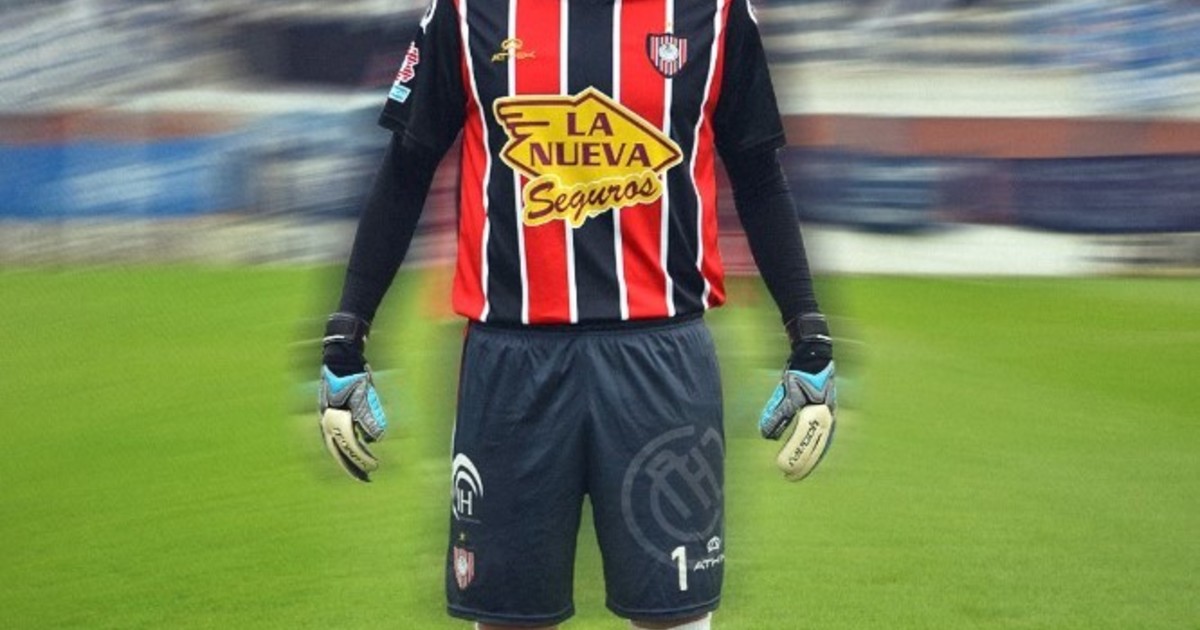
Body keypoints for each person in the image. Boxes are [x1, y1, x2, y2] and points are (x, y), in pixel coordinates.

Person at [316, 1, 837, 628]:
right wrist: (346, 338)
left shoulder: (715, 12)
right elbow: (407, 167)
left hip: (661, 361)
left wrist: (809, 336)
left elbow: (759, 177)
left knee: (675, 619)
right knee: (508, 620)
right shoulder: (469, 10)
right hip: (512, 367)